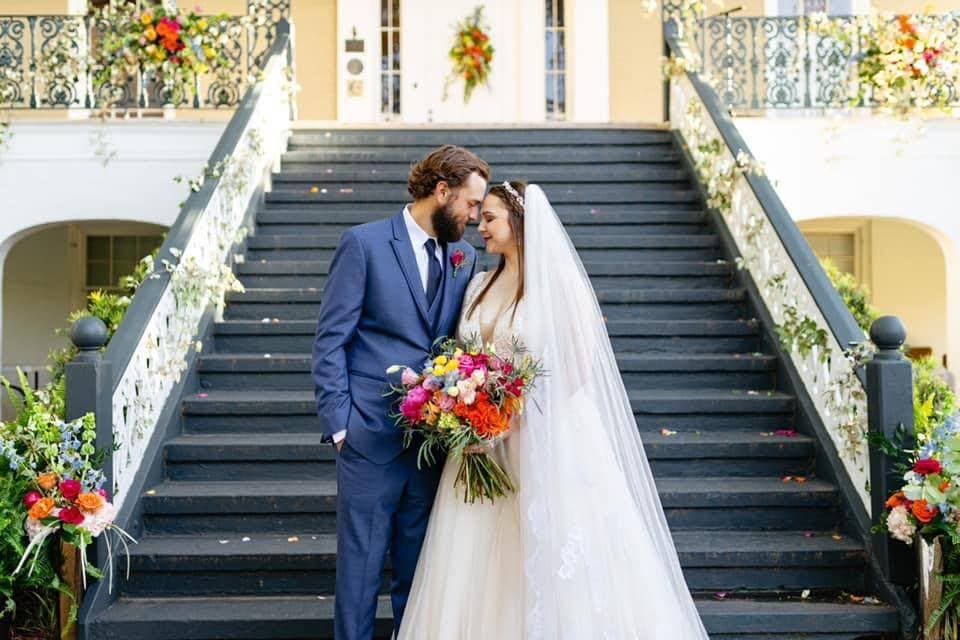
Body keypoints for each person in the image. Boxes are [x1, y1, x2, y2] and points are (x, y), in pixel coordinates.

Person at [398, 182, 710, 639]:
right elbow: (465, 357)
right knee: (472, 559)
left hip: (539, 440)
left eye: (490, 218)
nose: (479, 226)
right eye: (480, 216)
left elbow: (579, 368)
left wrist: (510, 414)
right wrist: (465, 406)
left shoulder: (557, 286)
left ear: (518, 224)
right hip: (477, 446)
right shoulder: (479, 283)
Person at [312, 145, 489, 640]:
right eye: (470, 205)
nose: (474, 217)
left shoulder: (464, 256)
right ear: (441, 190)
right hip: (368, 437)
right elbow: (331, 342)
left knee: (420, 576)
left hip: (431, 444)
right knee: (360, 573)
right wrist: (341, 425)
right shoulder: (364, 244)